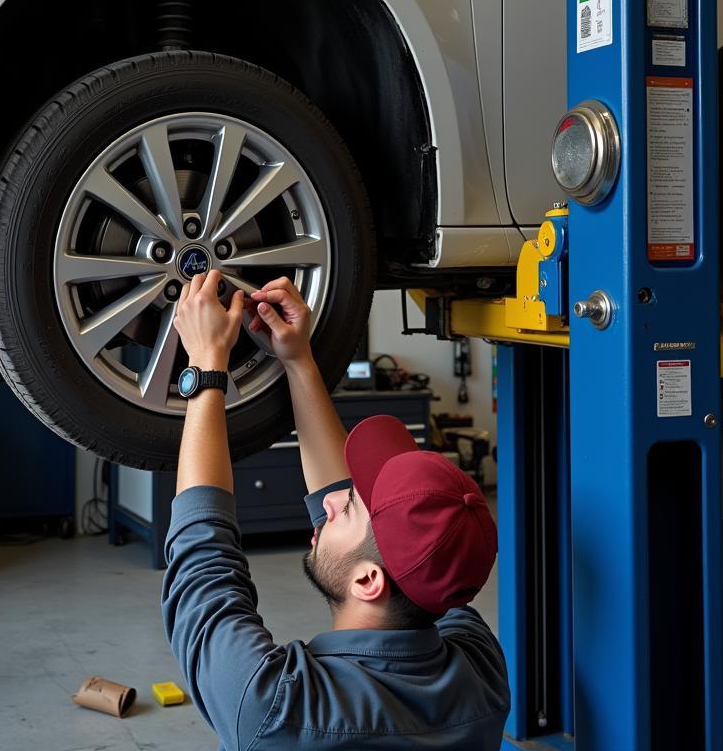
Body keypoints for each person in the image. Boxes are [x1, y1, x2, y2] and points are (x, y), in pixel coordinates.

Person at [162, 269, 510, 750]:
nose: (326, 502)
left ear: (369, 581)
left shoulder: (278, 709)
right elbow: (393, 546)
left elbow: (203, 560)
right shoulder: (481, 678)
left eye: (346, 508)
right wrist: (298, 360)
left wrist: (203, 364)